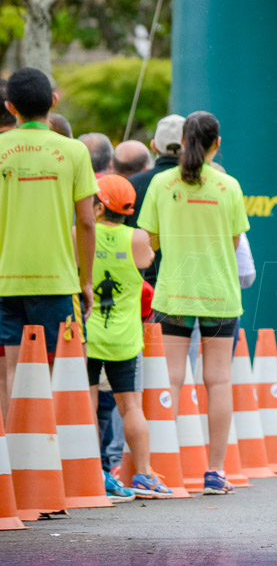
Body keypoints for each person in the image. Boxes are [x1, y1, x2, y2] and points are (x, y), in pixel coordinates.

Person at [137, 110, 249, 495]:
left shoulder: (161, 184)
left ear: (182, 142)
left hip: (175, 292)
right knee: (217, 380)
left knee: (170, 378)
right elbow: (235, 243)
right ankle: (215, 473)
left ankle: (155, 466)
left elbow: (148, 240)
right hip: (220, 294)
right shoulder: (228, 186)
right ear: (217, 144)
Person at [0, 68, 97, 418]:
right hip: (57, 282)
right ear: (54, 101)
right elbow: (86, 222)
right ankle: (57, 463)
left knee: (13, 373)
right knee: (65, 374)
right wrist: (86, 280)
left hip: (6, 281)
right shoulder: (74, 151)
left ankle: (16, 466)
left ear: (12, 107)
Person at [81, 175, 170, 498]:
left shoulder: (80, 234)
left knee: (87, 404)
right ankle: (144, 475)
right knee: (130, 406)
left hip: (88, 334)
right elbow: (147, 261)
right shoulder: (137, 239)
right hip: (125, 337)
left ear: (100, 205)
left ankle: (92, 471)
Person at [126, 114, 185, 287]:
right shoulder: (200, 184)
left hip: (141, 288)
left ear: (153, 146)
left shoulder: (132, 184)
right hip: (187, 285)